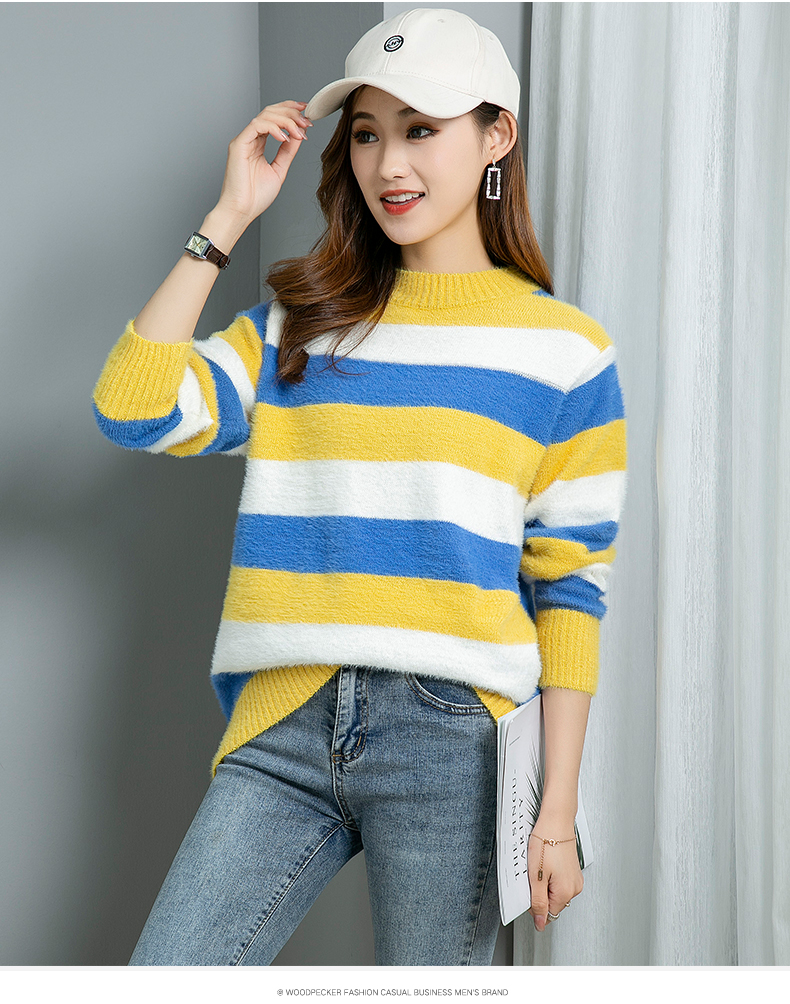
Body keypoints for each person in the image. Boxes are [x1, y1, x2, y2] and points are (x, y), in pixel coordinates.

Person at [93, 8, 626, 966]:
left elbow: (571, 588)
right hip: (286, 721)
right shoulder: (300, 326)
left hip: (453, 739)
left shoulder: (565, 354)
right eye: (369, 134)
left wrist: (555, 810)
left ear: (495, 136)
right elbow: (132, 408)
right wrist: (229, 217)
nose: (390, 165)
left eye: (421, 129)